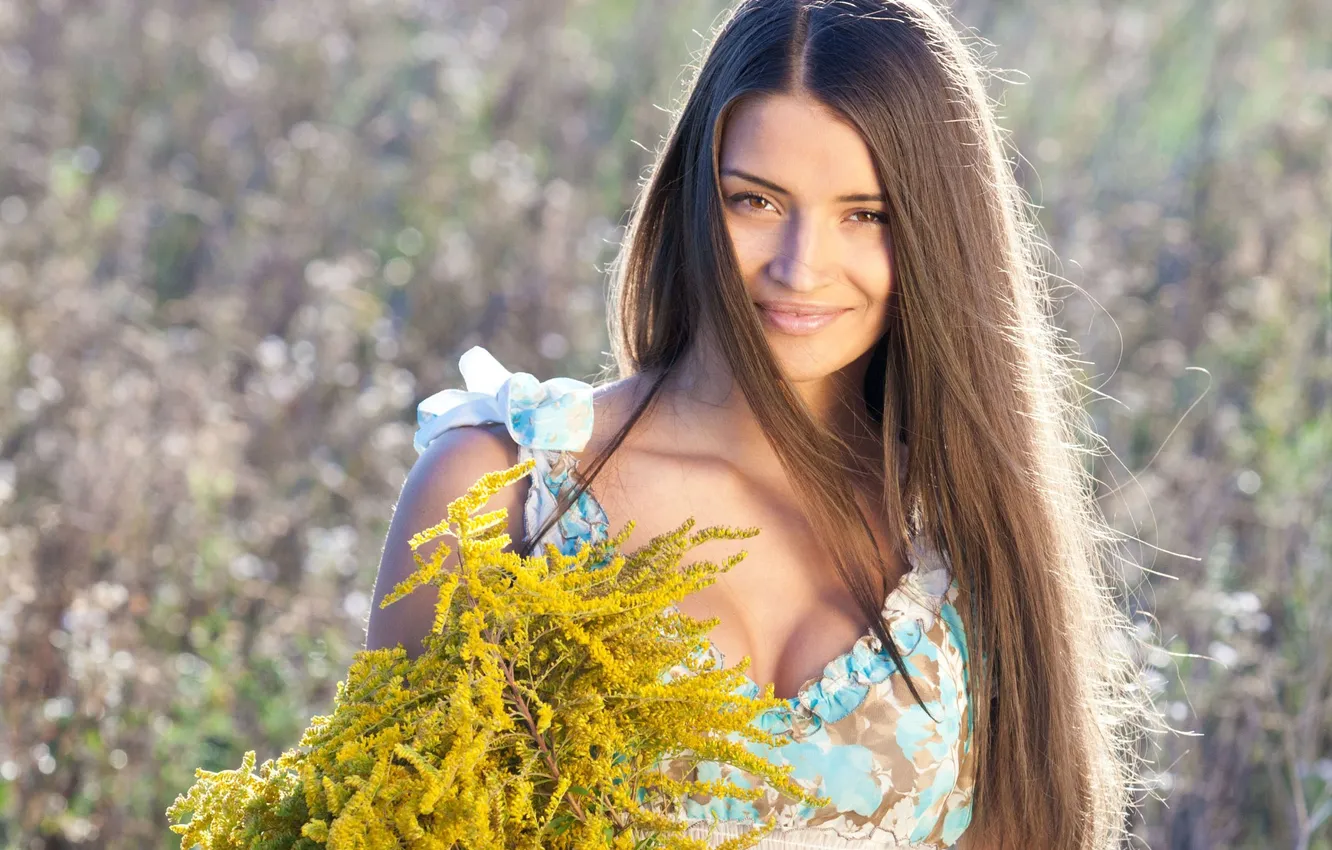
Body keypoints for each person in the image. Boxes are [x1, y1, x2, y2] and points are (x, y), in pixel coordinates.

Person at [367, 0, 1150, 847]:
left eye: (867, 214)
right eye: (758, 202)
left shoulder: (971, 538)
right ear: (694, 200)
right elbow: (377, 821)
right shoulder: (503, 492)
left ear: (938, 234)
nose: (800, 268)